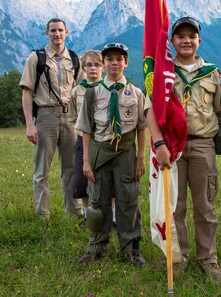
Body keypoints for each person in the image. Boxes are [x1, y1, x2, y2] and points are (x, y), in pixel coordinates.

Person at [145, 16, 221, 281]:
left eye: (191, 36)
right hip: (172, 148)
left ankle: (208, 258)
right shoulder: (162, 72)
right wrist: (159, 142)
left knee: (205, 206)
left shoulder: (212, 73)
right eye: (180, 36)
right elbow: (150, 109)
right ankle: (179, 257)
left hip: (202, 145)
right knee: (176, 207)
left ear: (199, 41)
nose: (186, 40)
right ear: (172, 41)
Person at [76, 42, 147, 267]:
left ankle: (131, 248)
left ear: (126, 63)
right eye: (110, 59)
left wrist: (141, 158)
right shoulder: (92, 93)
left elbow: (142, 127)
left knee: (129, 200)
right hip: (99, 152)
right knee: (98, 200)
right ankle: (96, 246)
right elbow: (86, 128)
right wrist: (86, 160)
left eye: (119, 59)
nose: (114, 63)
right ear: (104, 63)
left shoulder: (135, 93)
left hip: (126, 153)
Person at [19, 18, 84, 220]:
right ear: (47, 33)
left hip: (70, 117)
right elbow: (27, 92)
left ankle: (75, 212)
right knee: (42, 170)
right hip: (45, 116)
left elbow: (82, 90)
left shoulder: (74, 58)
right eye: (53, 30)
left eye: (61, 30)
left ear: (67, 32)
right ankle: (42, 215)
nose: (57, 34)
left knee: (71, 169)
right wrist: (30, 124)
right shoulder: (35, 58)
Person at [68, 50, 103, 224]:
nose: (93, 69)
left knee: (105, 179)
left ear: (102, 67)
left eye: (97, 65)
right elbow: (73, 116)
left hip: (103, 140)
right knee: (82, 180)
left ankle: (110, 217)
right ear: (83, 67)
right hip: (83, 141)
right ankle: (88, 216)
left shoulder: (108, 88)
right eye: (89, 65)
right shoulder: (77, 91)